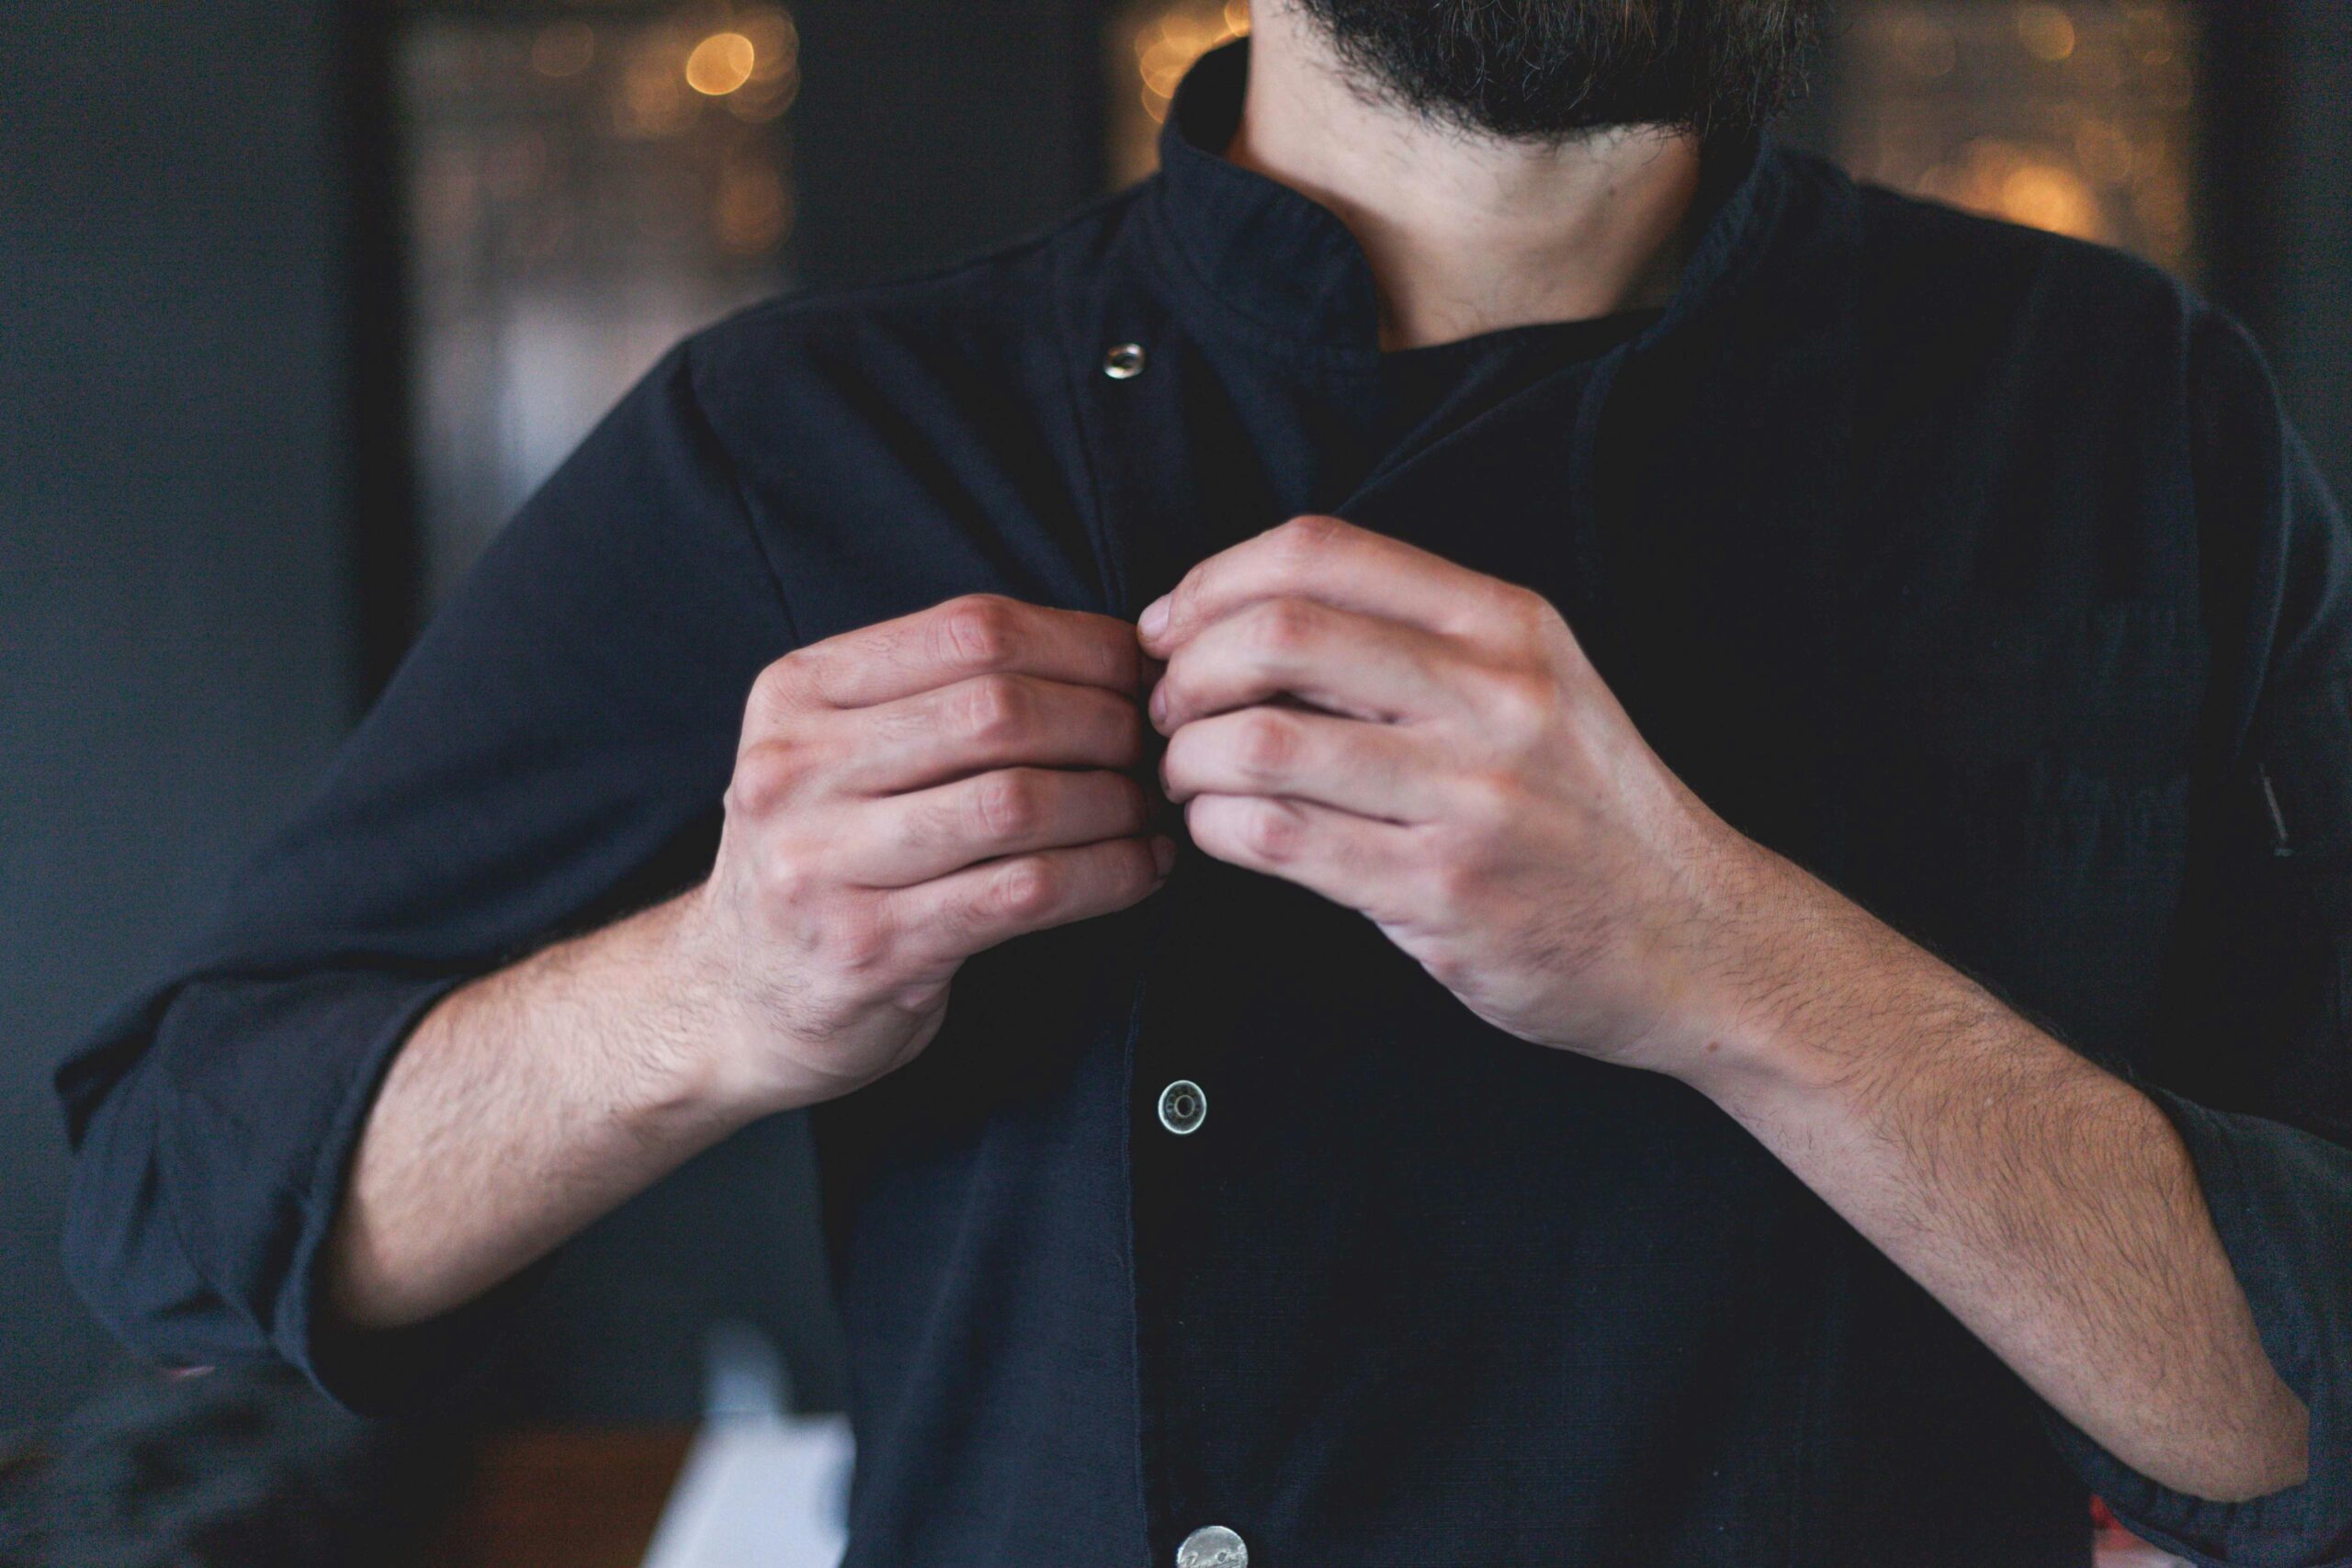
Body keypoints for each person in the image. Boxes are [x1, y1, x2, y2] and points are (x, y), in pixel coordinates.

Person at [57, 3, 2352, 1564]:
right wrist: (716, 989)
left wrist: (1708, 948)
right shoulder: (814, 442)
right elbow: (177, 1200)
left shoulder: (2128, 422)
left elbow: (2314, 1413)